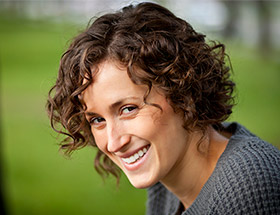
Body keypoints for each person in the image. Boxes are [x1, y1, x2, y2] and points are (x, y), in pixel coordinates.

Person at [46, 2, 280, 215]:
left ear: (183, 90)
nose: (113, 142)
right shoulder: (165, 176)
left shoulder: (249, 187)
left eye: (128, 109)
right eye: (97, 120)